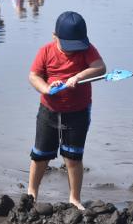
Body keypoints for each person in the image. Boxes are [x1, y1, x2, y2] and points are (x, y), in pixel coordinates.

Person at [27, 12, 107, 210]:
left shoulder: (86, 50)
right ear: (55, 36)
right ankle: (32, 193)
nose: (72, 51)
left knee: (73, 157)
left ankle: (74, 198)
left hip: (77, 112)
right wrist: (46, 88)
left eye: (76, 46)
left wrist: (78, 77)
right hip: (49, 110)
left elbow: (100, 68)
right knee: (40, 155)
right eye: (68, 46)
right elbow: (33, 76)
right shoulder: (45, 51)